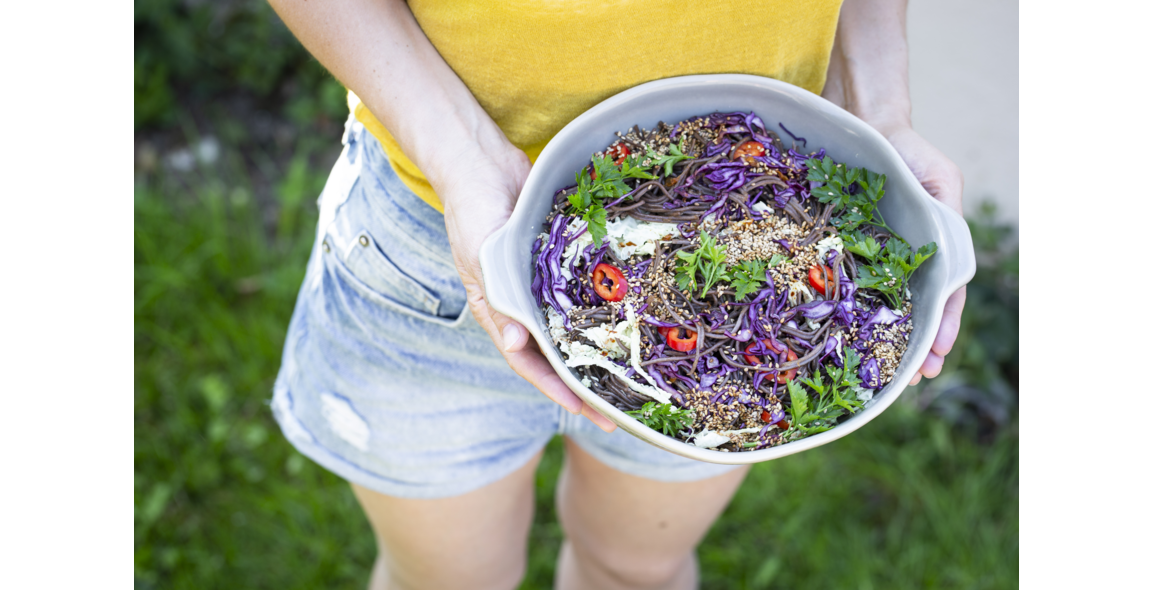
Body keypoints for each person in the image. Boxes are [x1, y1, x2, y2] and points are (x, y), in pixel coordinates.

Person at [267, 0, 967, 588]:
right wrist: (459, 156)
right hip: (432, 252)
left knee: (637, 571)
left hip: (754, 309)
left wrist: (882, 113)